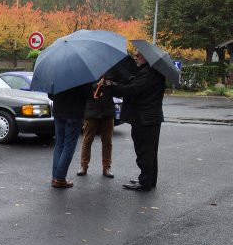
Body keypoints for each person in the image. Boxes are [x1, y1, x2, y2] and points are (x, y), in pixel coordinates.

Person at [104, 51, 166, 191]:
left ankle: (144, 182)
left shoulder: (148, 73)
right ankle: (149, 179)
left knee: (144, 151)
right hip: (150, 117)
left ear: (147, 57)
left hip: (144, 118)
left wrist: (111, 87)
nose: (135, 57)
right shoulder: (151, 71)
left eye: (139, 55)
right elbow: (136, 84)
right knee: (150, 151)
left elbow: (132, 89)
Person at [49, 83, 92, 188]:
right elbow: (89, 95)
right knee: (69, 145)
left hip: (58, 111)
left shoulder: (57, 72)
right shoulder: (82, 74)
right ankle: (59, 178)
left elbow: (50, 95)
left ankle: (55, 177)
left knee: (59, 144)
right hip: (74, 113)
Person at [76, 76, 115, 179]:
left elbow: (119, 89)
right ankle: (83, 166)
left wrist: (109, 83)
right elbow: (83, 92)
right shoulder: (88, 74)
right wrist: (96, 86)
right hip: (91, 112)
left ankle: (106, 167)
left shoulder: (111, 73)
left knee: (107, 141)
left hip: (107, 112)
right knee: (87, 140)